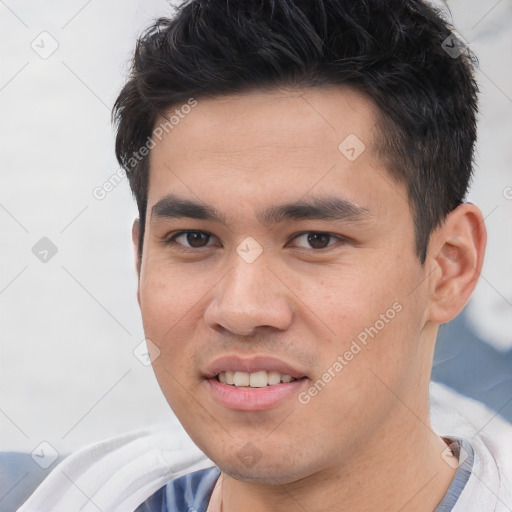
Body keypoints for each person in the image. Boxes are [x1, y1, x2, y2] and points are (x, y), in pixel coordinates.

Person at [17, 0, 512, 511]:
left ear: (450, 267)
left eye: (315, 240)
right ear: (140, 256)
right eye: (194, 238)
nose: (241, 309)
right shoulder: (89, 494)